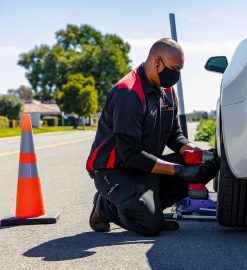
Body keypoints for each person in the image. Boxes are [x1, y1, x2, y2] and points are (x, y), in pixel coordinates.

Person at [86, 38, 219, 236]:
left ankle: (149, 208)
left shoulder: (167, 91)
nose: (177, 75)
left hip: (147, 167)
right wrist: (178, 170)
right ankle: (105, 206)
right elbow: (131, 154)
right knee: (150, 225)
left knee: (209, 162)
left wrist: (193, 151)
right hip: (115, 171)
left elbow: (174, 135)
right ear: (157, 62)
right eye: (175, 68)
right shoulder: (128, 93)